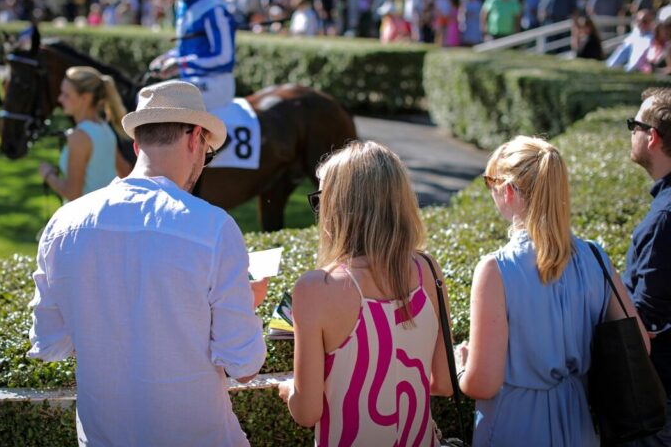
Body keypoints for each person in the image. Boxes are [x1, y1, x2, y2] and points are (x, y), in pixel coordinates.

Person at [28, 80, 268, 446]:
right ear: (195, 138)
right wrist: (244, 302)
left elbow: (49, 343)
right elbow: (245, 366)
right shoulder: (214, 228)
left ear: (138, 146)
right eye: (207, 152)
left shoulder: (63, 224)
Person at [455, 135, 649, 446]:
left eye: (491, 183)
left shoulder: (495, 269)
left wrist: (461, 366)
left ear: (508, 191)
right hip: (580, 423)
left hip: (514, 426)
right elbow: (639, 345)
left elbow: (483, 385)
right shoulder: (596, 257)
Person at [278, 141, 453, 446]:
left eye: (321, 199)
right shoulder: (428, 269)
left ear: (338, 207)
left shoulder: (316, 288)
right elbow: (445, 383)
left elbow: (307, 412)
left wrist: (290, 388)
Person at [622, 87, 671, 446]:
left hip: (659, 398)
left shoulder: (664, 218)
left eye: (633, 126)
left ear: (652, 137)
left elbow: (648, 320)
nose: (632, 133)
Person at [148, 0, 237, 112]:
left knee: (159, 101)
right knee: (145, 95)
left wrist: (180, 64)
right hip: (192, 81)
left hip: (216, 85)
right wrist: (167, 58)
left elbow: (225, 58)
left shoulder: (214, 8)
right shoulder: (181, 5)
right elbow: (189, 50)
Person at [38, 66, 131, 202]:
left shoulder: (79, 137)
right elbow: (126, 171)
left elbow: (73, 194)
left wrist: (48, 174)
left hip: (85, 215)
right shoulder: (105, 128)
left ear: (85, 98)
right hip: (106, 210)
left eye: (66, 95)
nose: (60, 99)